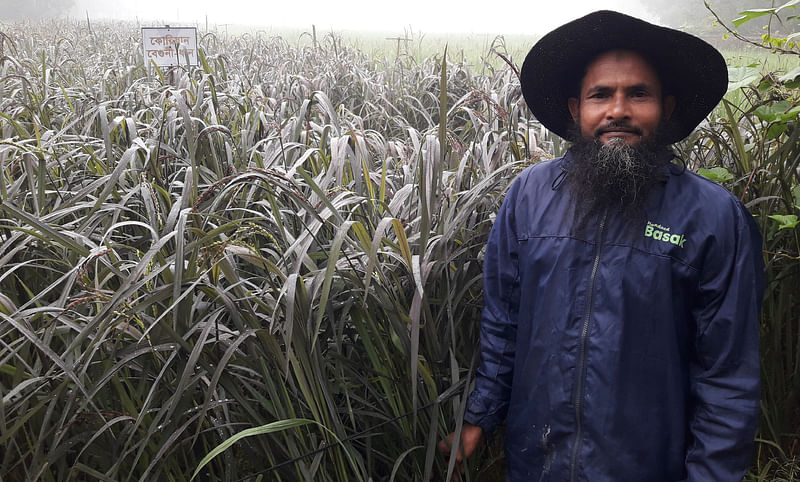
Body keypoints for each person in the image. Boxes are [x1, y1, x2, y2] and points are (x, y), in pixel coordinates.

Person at [440, 10, 765, 482]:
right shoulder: (528, 197)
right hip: (537, 462)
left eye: (638, 94)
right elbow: (502, 322)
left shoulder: (713, 216)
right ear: (576, 110)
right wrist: (479, 416)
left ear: (667, 108)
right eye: (600, 95)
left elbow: (727, 375)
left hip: (649, 466)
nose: (618, 110)